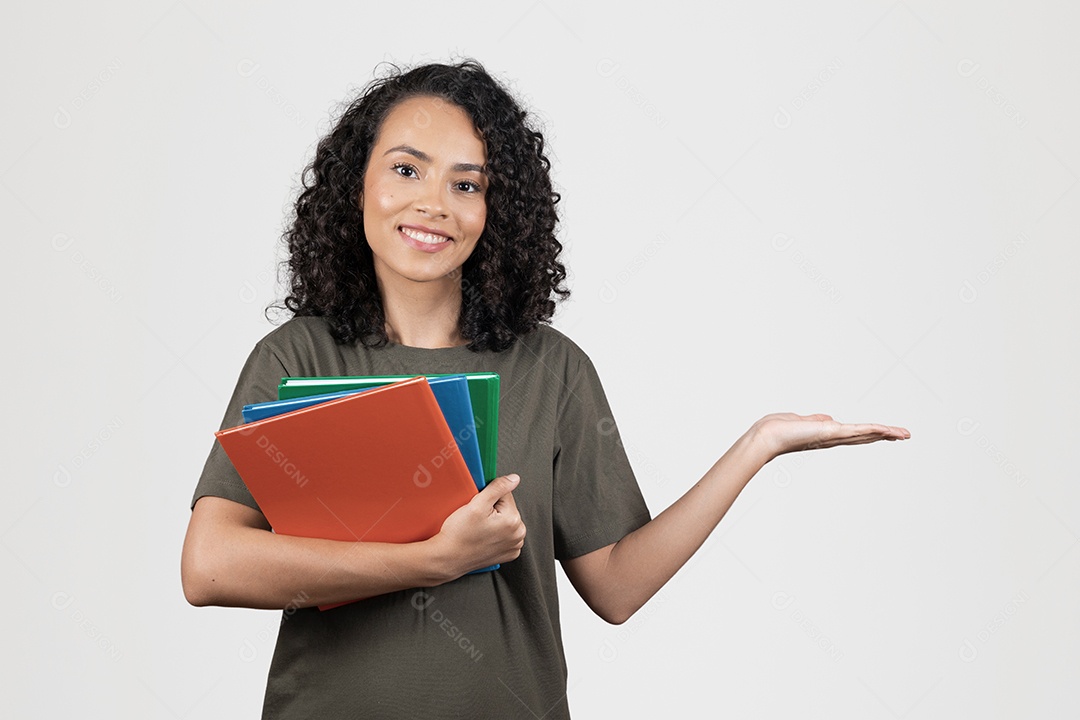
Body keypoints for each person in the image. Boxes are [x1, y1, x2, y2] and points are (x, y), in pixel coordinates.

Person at [181, 59, 910, 719]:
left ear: (496, 212)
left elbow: (617, 587)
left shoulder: (552, 370)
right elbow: (210, 565)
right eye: (407, 170)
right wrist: (433, 559)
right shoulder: (298, 357)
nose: (434, 202)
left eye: (466, 184)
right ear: (357, 185)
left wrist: (758, 446)